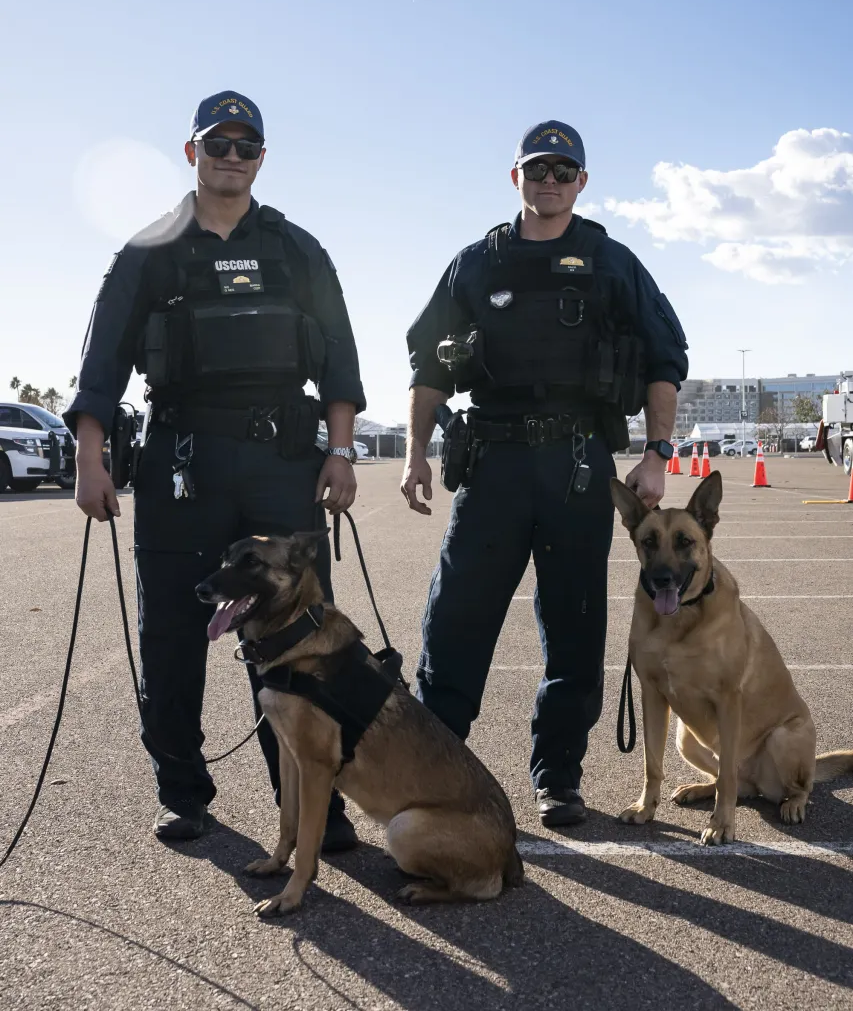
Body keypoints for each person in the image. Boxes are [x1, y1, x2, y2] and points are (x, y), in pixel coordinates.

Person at [65, 91, 365, 847]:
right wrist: (89, 461)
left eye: (246, 146)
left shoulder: (298, 249)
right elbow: (100, 367)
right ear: (192, 152)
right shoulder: (147, 251)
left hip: (281, 464)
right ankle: (183, 793)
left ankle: (309, 804)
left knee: (299, 638)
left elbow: (338, 360)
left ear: (262, 157)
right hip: (181, 464)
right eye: (218, 145)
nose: (232, 157)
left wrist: (339, 450)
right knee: (171, 633)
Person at [401, 120, 688, 829]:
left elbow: (664, 359)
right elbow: (428, 366)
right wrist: (412, 453)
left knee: (574, 622)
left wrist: (656, 453)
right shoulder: (477, 262)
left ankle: (557, 777)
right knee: (457, 620)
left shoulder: (610, 261)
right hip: (493, 461)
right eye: (537, 168)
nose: (549, 179)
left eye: (563, 170)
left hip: (577, 465)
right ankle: (435, 774)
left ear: (581, 182)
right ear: (515, 178)